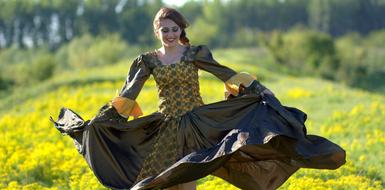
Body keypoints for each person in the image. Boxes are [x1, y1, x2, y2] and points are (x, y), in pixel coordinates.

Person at [51, 7, 346, 190]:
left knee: (187, 178)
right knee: (164, 182)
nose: (169, 34)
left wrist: (260, 93)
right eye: (164, 30)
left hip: (198, 124)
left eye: (174, 29)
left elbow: (226, 74)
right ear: (157, 31)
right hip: (167, 129)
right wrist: (103, 121)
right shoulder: (147, 61)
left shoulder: (195, 54)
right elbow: (130, 92)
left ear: (181, 30)